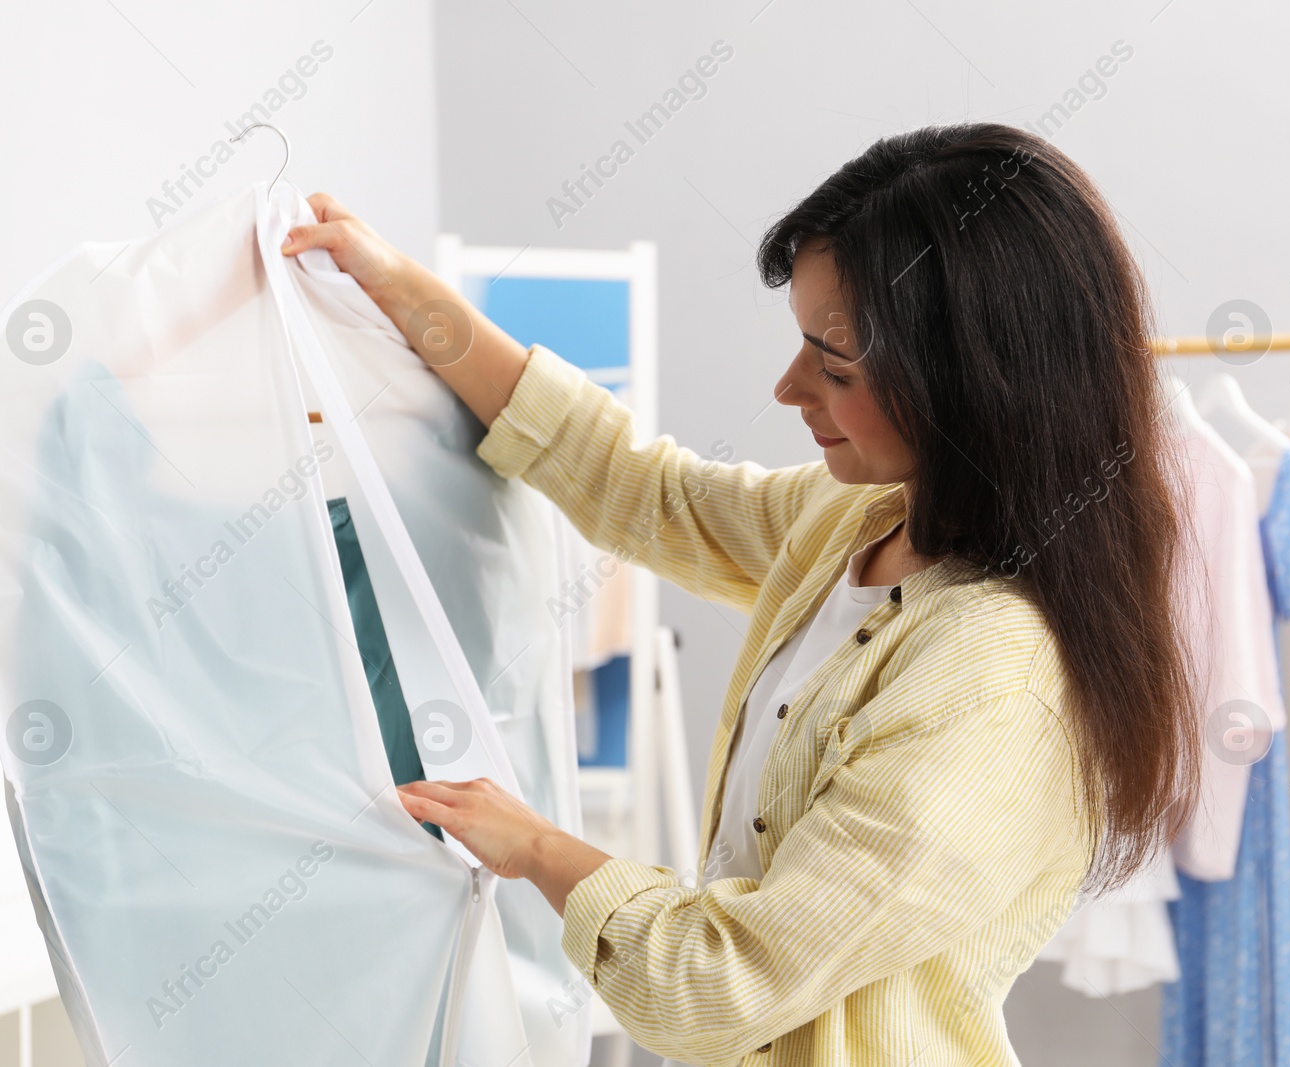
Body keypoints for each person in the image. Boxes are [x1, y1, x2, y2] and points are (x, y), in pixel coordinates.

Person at [280, 122, 1201, 1066]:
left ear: (972, 388)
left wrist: (538, 848)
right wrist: (404, 295)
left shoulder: (992, 683)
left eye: (834, 368)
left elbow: (721, 984)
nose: (788, 385)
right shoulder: (864, 519)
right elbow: (641, 487)